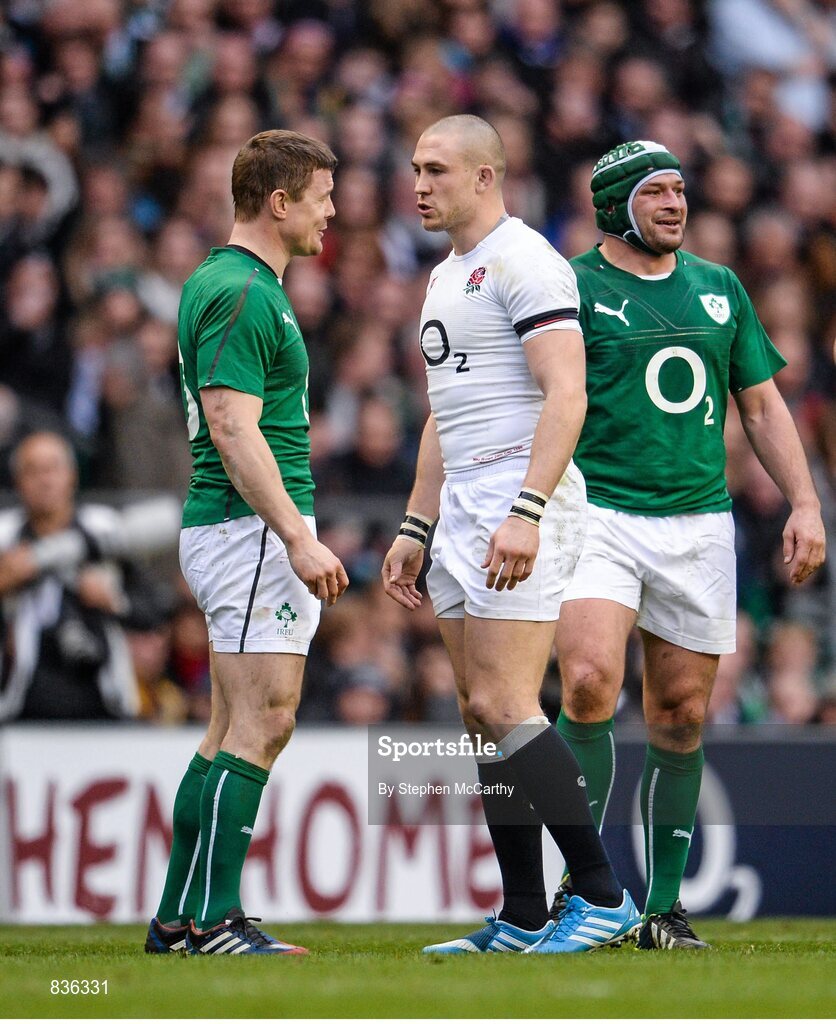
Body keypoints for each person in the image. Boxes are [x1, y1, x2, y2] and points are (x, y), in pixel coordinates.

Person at [553, 140, 826, 949]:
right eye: (655, 192)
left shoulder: (719, 289)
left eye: (680, 190)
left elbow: (766, 409)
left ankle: (663, 911)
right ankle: (586, 888)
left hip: (698, 522)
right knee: (591, 684)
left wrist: (805, 502)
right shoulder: (569, 286)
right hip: (598, 514)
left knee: (679, 715)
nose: (676, 203)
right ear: (613, 205)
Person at [382, 115, 640, 955]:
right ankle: (525, 914)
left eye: (437, 169)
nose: (419, 183)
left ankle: (601, 896)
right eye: (416, 169)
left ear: (487, 176)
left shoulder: (527, 260)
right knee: (478, 713)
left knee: (506, 702)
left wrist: (526, 509)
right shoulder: (445, 274)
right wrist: (417, 523)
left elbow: (567, 395)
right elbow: (442, 416)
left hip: (518, 496)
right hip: (462, 500)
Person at [146, 130, 349, 958]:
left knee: (228, 727)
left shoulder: (224, 281)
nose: (332, 212)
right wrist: (296, 536)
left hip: (234, 528)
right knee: (264, 721)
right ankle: (215, 922)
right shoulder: (241, 290)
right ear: (280, 201)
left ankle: (174, 920)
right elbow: (231, 423)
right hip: (250, 530)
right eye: (322, 196)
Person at [0, 432, 138, 722]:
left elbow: (153, 608)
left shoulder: (104, 530)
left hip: (102, 704)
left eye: (52, 468)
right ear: (17, 482)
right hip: (19, 707)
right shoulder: (5, 537)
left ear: (72, 475)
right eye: (32, 471)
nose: (44, 480)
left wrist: (113, 600)